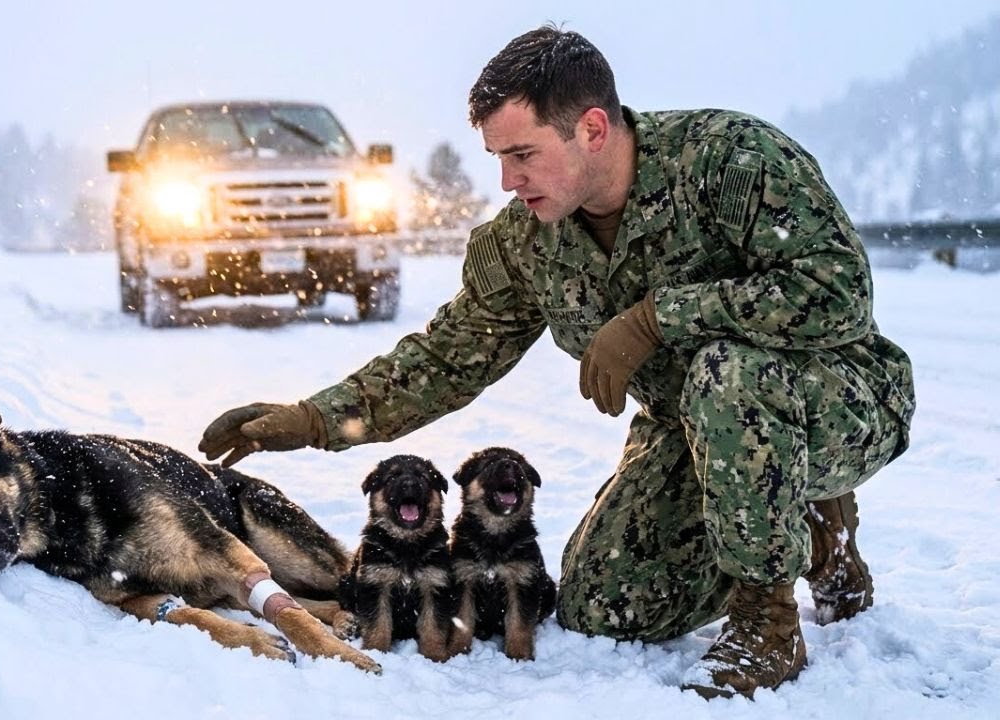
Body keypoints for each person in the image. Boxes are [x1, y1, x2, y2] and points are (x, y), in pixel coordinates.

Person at [199, 25, 914, 699]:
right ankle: (804, 526)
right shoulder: (529, 240)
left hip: (836, 400)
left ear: (592, 129)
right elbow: (451, 354)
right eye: (498, 160)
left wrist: (659, 316)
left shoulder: (731, 161)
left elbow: (838, 291)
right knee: (607, 603)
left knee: (727, 373)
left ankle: (769, 620)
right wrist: (312, 418)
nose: (509, 180)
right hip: (694, 431)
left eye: (522, 155)